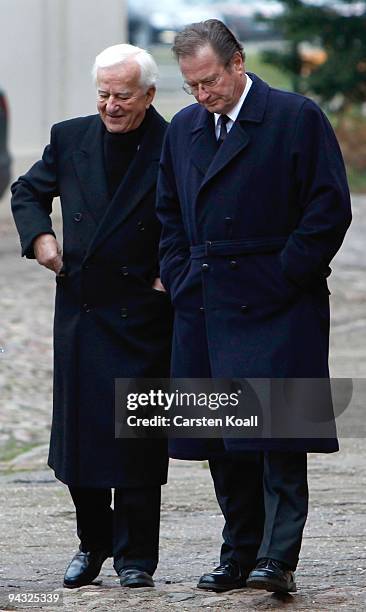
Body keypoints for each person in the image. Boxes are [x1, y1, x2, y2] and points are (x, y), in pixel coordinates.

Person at [156, 20, 351, 594]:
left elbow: (328, 207)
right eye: (191, 85)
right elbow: (168, 212)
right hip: (206, 301)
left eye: (209, 81)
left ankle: (277, 557)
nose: (200, 95)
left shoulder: (295, 116)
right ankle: (238, 552)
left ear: (237, 63)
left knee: (278, 436)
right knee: (224, 443)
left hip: (278, 302)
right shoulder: (187, 127)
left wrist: (287, 273)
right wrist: (181, 274)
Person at [11, 44, 172, 589]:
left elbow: (193, 215)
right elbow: (27, 190)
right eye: (103, 93)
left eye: (122, 95)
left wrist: (169, 272)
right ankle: (92, 542)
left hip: (141, 314)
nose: (110, 105)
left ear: (148, 95)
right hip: (82, 308)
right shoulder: (70, 135)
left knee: (136, 441)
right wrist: (41, 236)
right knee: (80, 441)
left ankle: (136, 558)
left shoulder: (175, 143)